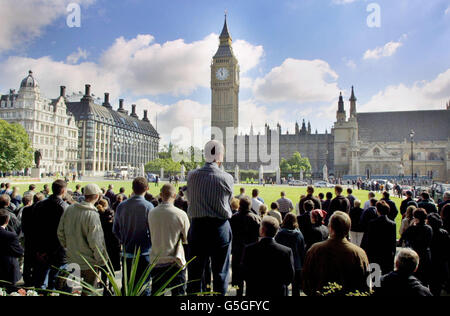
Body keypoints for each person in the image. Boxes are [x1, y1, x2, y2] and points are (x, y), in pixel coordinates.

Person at [186, 140, 234, 296]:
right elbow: (229, 202)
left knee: (195, 273)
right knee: (220, 272)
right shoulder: (227, 178)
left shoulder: (192, 176)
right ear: (219, 155)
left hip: (198, 227)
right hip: (219, 228)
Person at [302, 211, 370, 296]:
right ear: (348, 228)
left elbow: (306, 282)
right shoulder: (359, 253)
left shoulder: (315, 249)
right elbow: (366, 286)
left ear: (330, 227)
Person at [58, 184, 109, 296]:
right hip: (88, 262)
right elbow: (96, 241)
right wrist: (101, 260)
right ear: (96, 196)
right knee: (88, 291)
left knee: (69, 290)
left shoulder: (69, 209)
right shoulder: (92, 214)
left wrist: (67, 246)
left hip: (71, 257)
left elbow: (60, 232)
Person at [113, 177, 154, 296]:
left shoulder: (122, 206)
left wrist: (123, 240)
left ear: (132, 188)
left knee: (127, 287)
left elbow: (115, 229)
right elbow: (152, 231)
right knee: (144, 288)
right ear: (147, 188)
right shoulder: (148, 206)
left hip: (128, 252)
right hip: (144, 253)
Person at [148, 184, 190, 296]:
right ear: (175, 195)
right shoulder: (181, 214)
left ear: (161, 195)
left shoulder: (152, 213)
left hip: (157, 261)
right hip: (175, 261)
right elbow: (187, 238)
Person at [30, 180, 69, 290]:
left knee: (42, 280)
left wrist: (38, 249)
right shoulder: (64, 207)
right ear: (63, 190)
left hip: (42, 247)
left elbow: (34, 228)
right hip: (57, 249)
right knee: (55, 281)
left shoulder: (39, 205)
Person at [242, 216, 294, 296]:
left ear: (262, 230)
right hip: (277, 291)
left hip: (255, 291)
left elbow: (244, 273)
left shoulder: (250, 249)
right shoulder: (286, 251)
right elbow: (289, 277)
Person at [230, 196, 261, 296]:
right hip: (252, 252)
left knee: (238, 280)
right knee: (250, 280)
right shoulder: (256, 218)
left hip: (238, 251)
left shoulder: (233, 218)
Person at [275, 213, 306, 296]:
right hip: (296, 263)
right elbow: (302, 250)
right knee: (296, 288)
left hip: (282, 263)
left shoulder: (280, 234)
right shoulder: (299, 234)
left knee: (283, 287)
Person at [401, 208, 433, 286]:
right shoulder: (429, 228)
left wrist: (411, 225)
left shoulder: (413, 228)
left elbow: (404, 236)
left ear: (416, 218)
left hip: (415, 255)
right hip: (425, 255)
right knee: (424, 280)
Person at [363, 201, 397, 275]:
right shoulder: (392, 224)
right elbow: (393, 242)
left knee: (375, 280)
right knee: (386, 277)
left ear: (378, 211)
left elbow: (368, 240)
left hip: (374, 253)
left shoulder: (372, 223)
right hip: (387, 254)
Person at [96, 199, 121, 285]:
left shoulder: (97, 215)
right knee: (111, 267)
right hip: (112, 243)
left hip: (102, 242)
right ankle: (110, 285)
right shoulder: (111, 215)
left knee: (103, 266)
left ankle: (103, 283)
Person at [0, 209, 24, 291]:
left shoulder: (9, 234)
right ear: (7, 220)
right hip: (8, 267)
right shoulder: (10, 235)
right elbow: (19, 252)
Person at [427, 213, 450, 296]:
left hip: (431, 261)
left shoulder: (429, 233)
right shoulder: (444, 233)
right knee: (437, 287)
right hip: (441, 262)